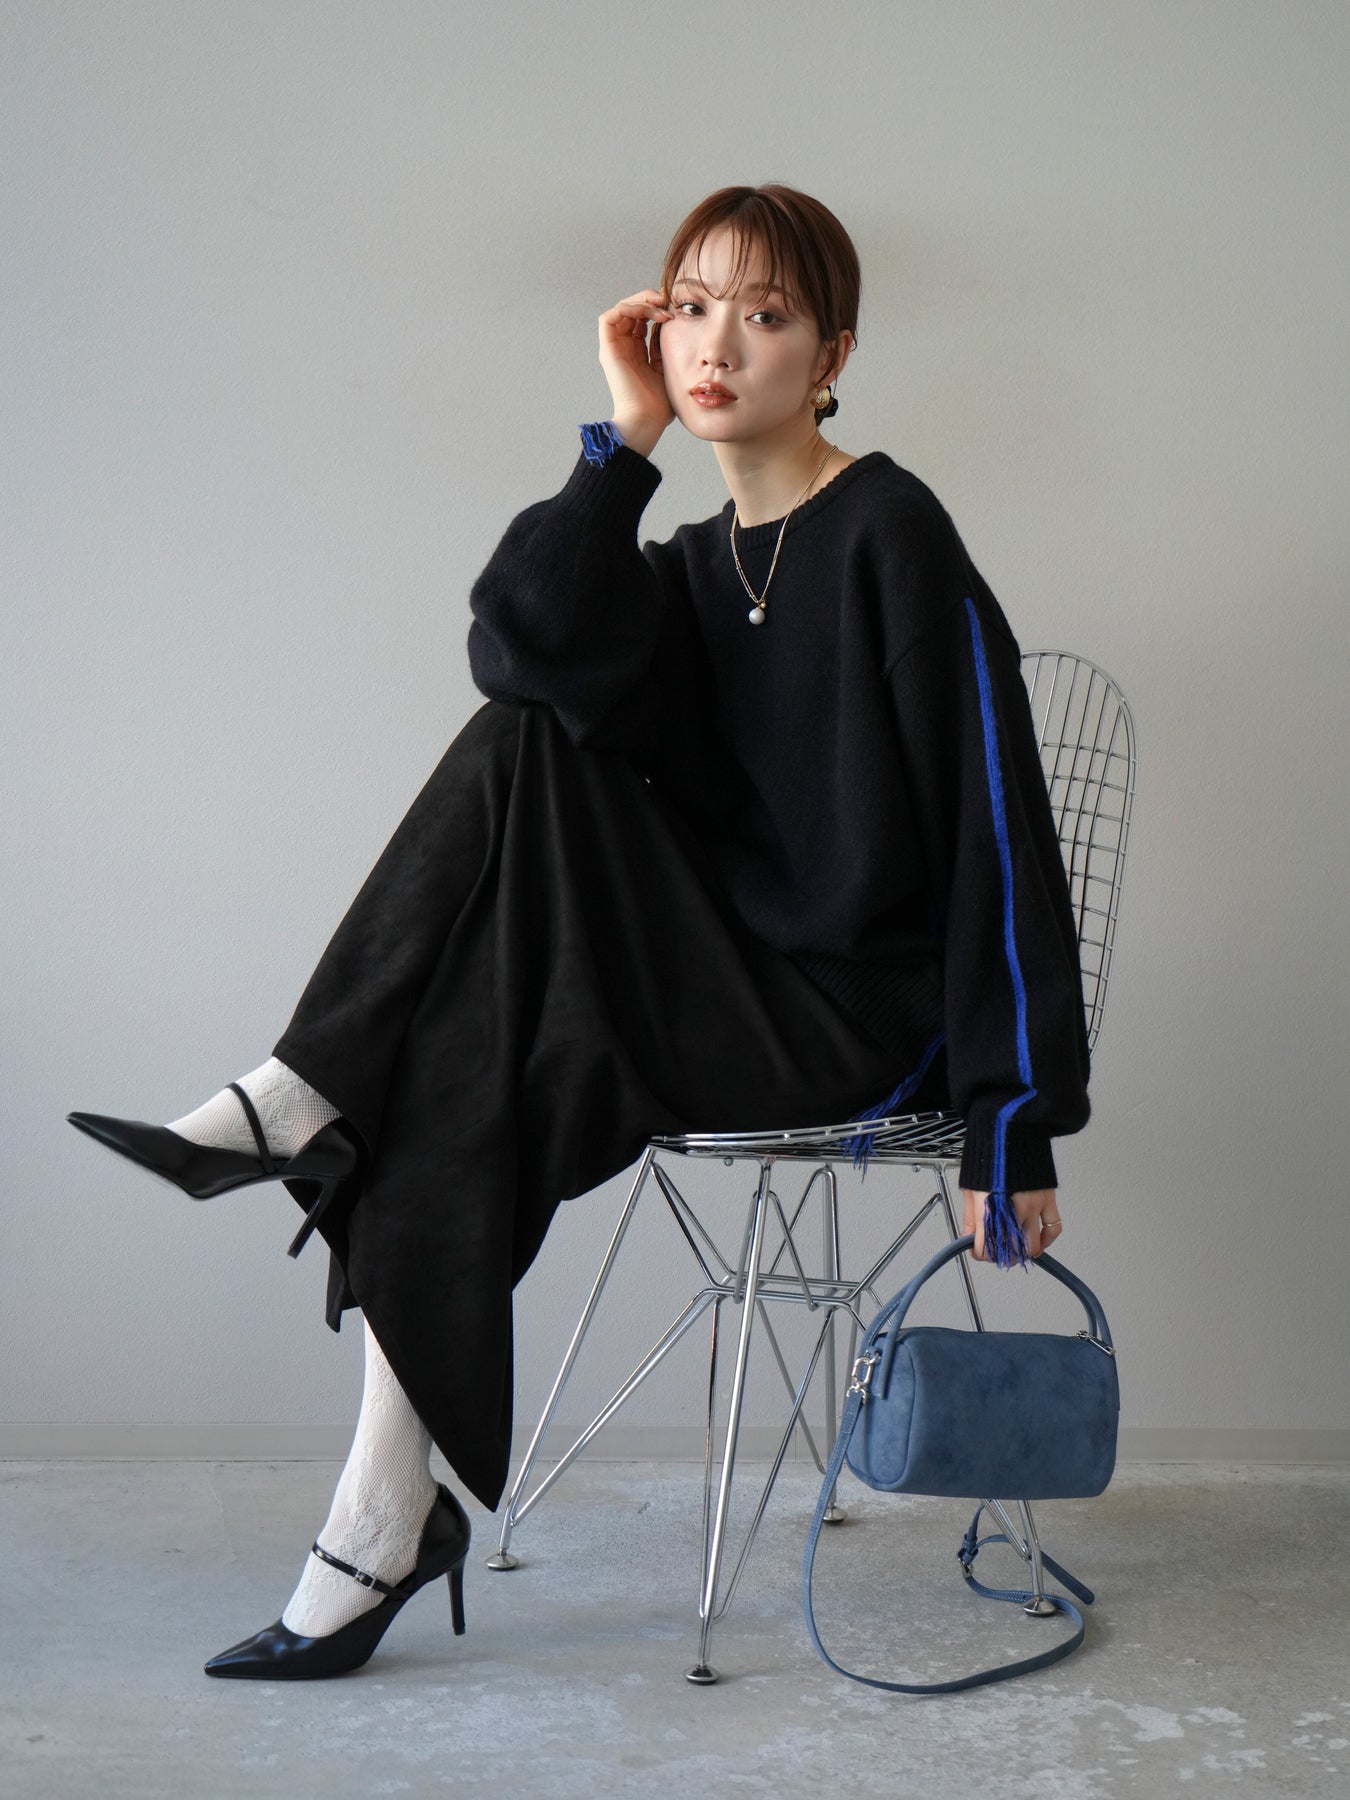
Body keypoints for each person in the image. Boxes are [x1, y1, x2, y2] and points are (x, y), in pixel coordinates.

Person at [65, 183, 1090, 1681]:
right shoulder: (685, 567)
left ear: (831, 356)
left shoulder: (890, 528)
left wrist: (1012, 1120)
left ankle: (300, 1102)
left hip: (849, 1018)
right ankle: (380, 1509)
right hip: (707, 983)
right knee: (484, 986)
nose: (717, 344)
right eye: (692, 309)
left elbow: (998, 821)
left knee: (480, 951)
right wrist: (620, 442)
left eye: (766, 315)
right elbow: (518, 640)